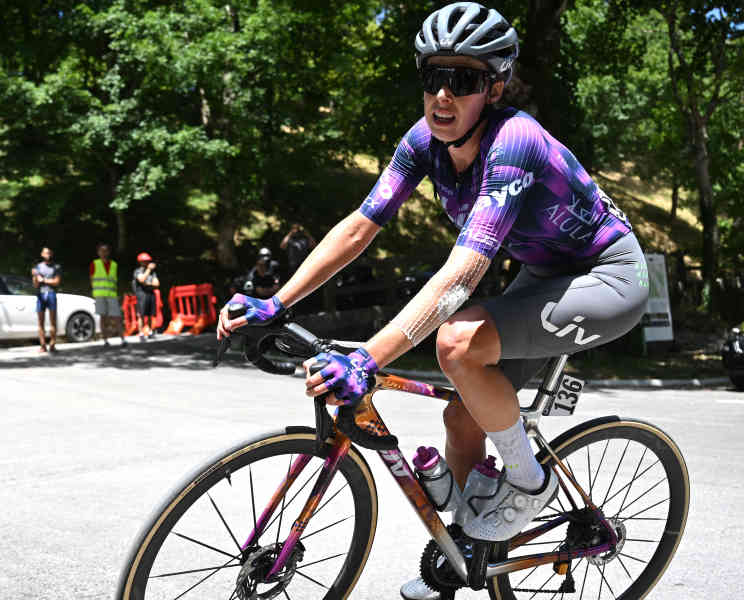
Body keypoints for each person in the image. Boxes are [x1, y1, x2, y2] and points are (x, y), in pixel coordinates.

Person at [217, 4, 647, 598]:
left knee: (458, 342)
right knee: (459, 416)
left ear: (493, 86)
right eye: (432, 78)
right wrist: (275, 301)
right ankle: (470, 551)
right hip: (542, 276)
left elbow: (461, 276)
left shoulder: (514, 141)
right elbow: (360, 227)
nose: (442, 96)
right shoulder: (424, 141)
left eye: (463, 80)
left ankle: (530, 481)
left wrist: (367, 358)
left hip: (608, 278)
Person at [90, 242, 126, 347]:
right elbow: (92, 280)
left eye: (106, 251)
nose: (104, 253)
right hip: (100, 295)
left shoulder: (114, 265)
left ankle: (122, 339)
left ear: (109, 252)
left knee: (117, 317)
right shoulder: (95, 264)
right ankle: (105, 340)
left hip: (112, 295)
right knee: (103, 318)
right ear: (98, 252)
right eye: (102, 251)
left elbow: (114, 280)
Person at [32, 247, 62, 353]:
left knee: (53, 321)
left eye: (49, 253)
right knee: (40, 322)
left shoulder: (56, 267)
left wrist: (44, 280)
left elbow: (57, 282)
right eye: (45, 253)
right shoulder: (38, 267)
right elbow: (35, 285)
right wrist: (35, 277)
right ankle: (43, 345)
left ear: (51, 254)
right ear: (42, 254)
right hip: (40, 294)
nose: (47, 254)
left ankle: (53, 344)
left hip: (51, 294)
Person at [132, 252, 160, 341]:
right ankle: (141, 334)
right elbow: (142, 279)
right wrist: (148, 271)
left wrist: (147, 283)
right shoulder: (137, 271)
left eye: (148, 261)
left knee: (152, 314)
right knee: (141, 315)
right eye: (145, 261)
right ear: (140, 262)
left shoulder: (153, 273)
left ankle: (151, 332)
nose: (147, 263)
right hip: (141, 294)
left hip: (151, 294)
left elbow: (157, 283)